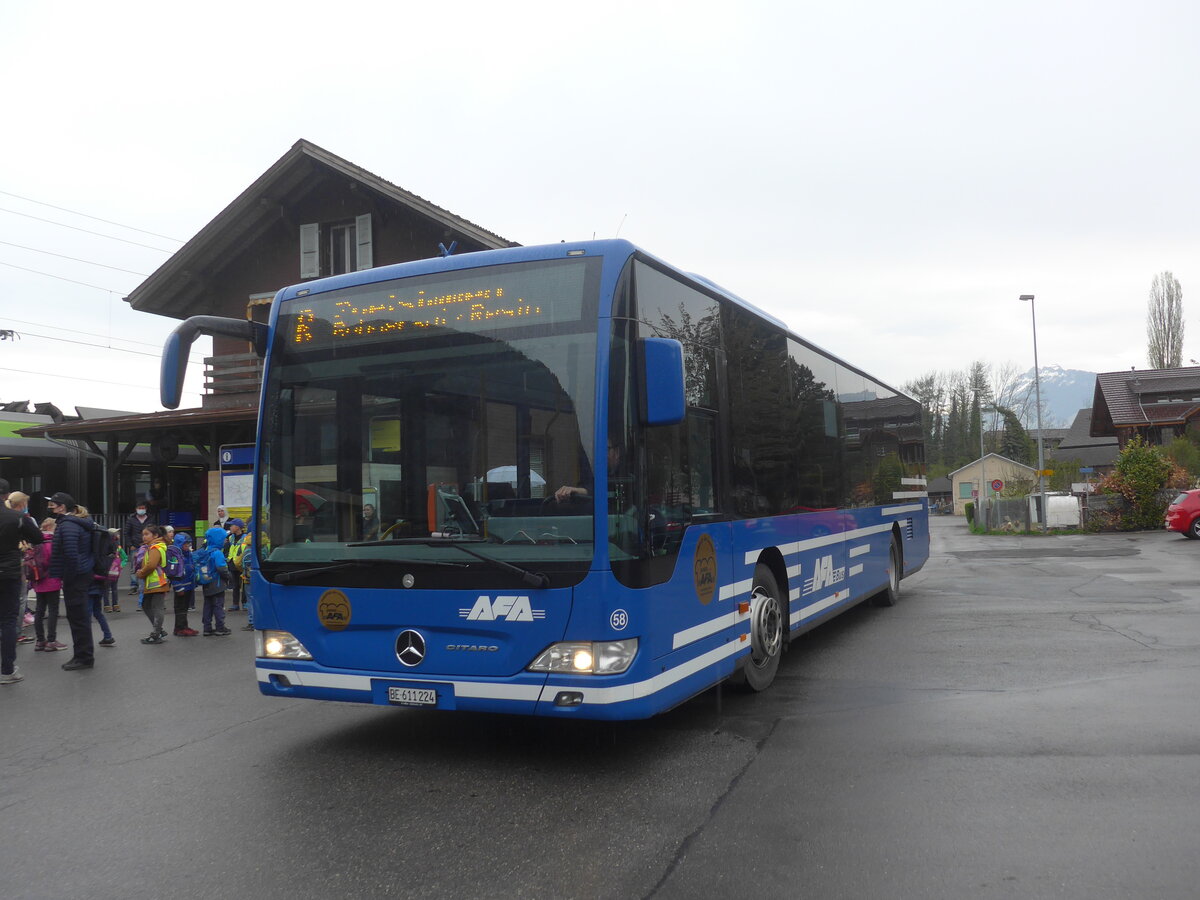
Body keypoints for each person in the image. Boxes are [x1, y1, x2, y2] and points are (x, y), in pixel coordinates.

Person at [46, 491, 97, 671]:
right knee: (79, 616)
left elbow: (71, 555)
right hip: (81, 575)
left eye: (53, 504)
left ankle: (83, 657)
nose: (50, 506)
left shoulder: (67, 526)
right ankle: (83, 655)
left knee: (78, 618)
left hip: (75, 577)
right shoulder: (73, 523)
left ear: (63, 507)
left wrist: (69, 576)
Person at [1, 484, 43, 684]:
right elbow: (38, 537)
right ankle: (7, 670)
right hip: (8, 572)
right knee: (8, 620)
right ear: (6, 495)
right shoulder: (16, 518)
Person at [26, 517, 67, 652]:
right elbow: (57, 562)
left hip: (38, 580)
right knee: (53, 611)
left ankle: (40, 641)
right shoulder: (53, 543)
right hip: (52, 580)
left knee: (39, 610)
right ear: (51, 528)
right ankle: (51, 640)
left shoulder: (36, 543)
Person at [136, 524, 171, 645]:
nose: (144, 537)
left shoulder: (155, 547)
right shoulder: (151, 547)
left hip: (158, 583)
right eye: (143, 535)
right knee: (146, 605)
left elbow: (151, 565)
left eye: (146, 534)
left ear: (155, 535)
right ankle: (159, 631)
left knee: (157, 608)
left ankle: (156, 634)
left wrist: (141, 573)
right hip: (153, 583)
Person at [199, 526, 232, 636]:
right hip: (217, 583)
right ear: (218, 539)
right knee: (218, 606)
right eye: (223, 538)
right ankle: (220, 627)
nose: (225, 540)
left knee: (207, 606)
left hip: (206, 582)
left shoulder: (206, 550)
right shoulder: (217, 552)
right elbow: (221, 568)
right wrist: (228, 577)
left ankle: (207, 628)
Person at [169, 531, 198, 636]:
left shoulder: (188, 554)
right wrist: (178, 586)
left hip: (189, 585)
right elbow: (172, 573)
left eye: (189, 544)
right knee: (180, 607)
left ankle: (183, 626)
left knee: (185, 607)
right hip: (181, 587)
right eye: (185, 544)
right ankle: (180, 628)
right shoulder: (175, 556)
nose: (188, 546)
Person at [122, 500, 151, 595]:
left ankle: (145, 585)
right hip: (135, 546)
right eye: (139, 508)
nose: (141, 510)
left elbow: (154, 531)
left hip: (147, 546)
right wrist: (130, 545)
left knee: (147, 564)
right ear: (136, 509)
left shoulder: (150, 519)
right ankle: (134, 585)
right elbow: (126, 533)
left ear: (146, 509)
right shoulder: (131, 519)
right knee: (134, 567)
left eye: (143, 508)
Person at [226, 518, 246, 611]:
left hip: (241, 564)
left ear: (237, 527)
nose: (230, 527)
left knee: (244, 584)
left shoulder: (245, 538)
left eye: (232, 525)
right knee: (235, 585)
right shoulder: (231, 537)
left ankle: (245, 603)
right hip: (232, 563)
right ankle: (235, 604)